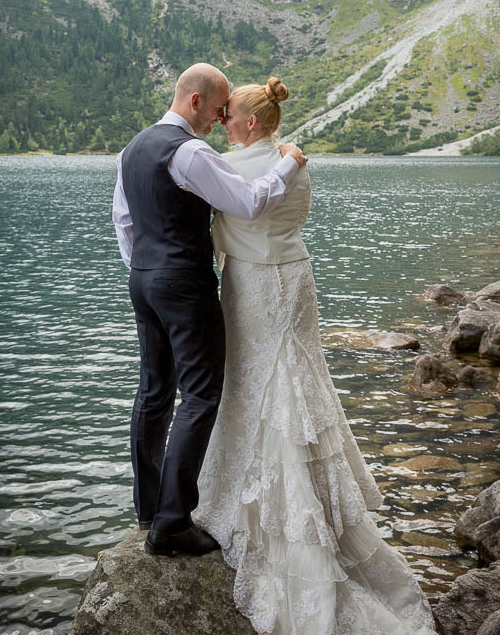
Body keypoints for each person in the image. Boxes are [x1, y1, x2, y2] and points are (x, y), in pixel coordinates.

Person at [194, 76, 437, 635]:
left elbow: (218, 221)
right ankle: (316, 509)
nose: (221, 120)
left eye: (227, 113)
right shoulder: (294, 162)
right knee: (295, 381)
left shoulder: (237, 169)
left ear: (249, 122)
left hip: (255, 286)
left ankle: (277, 519)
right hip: (295, 279)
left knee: (261, 384)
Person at [112, 63, 307, 559]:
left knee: (154, 391)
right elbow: (248, 203)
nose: (221, 118)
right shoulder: (189, 151)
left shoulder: (132, 148)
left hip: (143, 280)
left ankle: (148, 508)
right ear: (196, 101)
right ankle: (173, 525)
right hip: (183, 283)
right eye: (219, 108)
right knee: (200, 395)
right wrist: (288, 163)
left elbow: (124, 222)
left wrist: (149, 269)